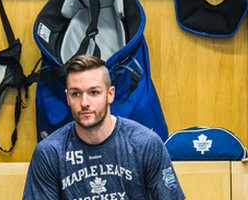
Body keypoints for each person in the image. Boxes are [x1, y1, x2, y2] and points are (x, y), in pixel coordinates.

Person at [23, 55, 185, 200]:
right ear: (67, 98)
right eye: (76, 94)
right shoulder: (50, 153)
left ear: (110, 94)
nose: (84, 102)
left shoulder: (145, 144)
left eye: (94, 92)